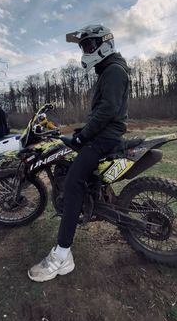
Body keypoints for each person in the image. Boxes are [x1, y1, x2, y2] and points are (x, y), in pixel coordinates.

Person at [28, 24, 129, 282]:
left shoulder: (114, 71)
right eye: (83, 47)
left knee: (73, 182)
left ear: (104, 44)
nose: (85, 51)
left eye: (88, 46)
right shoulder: (109, 70)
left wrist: (84, 136)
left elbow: (108, 110)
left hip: (104, 138)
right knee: (72, 159)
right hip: (103, 134)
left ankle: (62, 256)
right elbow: (104, 111)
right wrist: (81, 129)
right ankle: (92, 198)